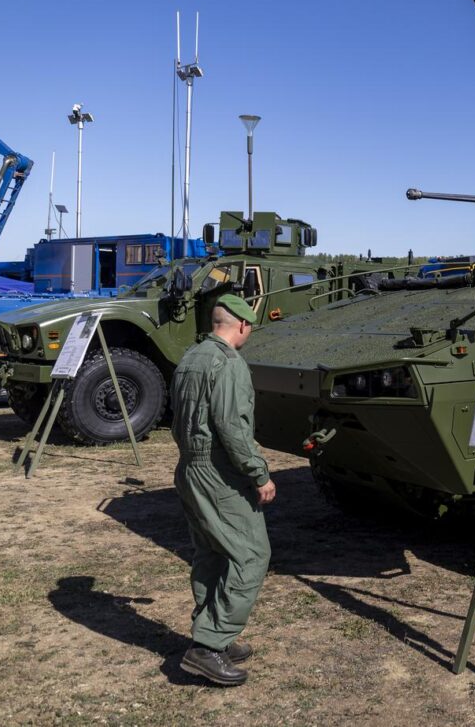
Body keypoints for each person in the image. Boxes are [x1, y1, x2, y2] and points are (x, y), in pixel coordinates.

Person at [171, 294, 274, 686]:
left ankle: (213, 633)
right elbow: (232, 427)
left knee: (212, 552)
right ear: (243, 326)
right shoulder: (229, 364)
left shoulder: (191, 357)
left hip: (189, 465)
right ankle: (207, 647)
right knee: (250, 554)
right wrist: (259, 474)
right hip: (218, 470)